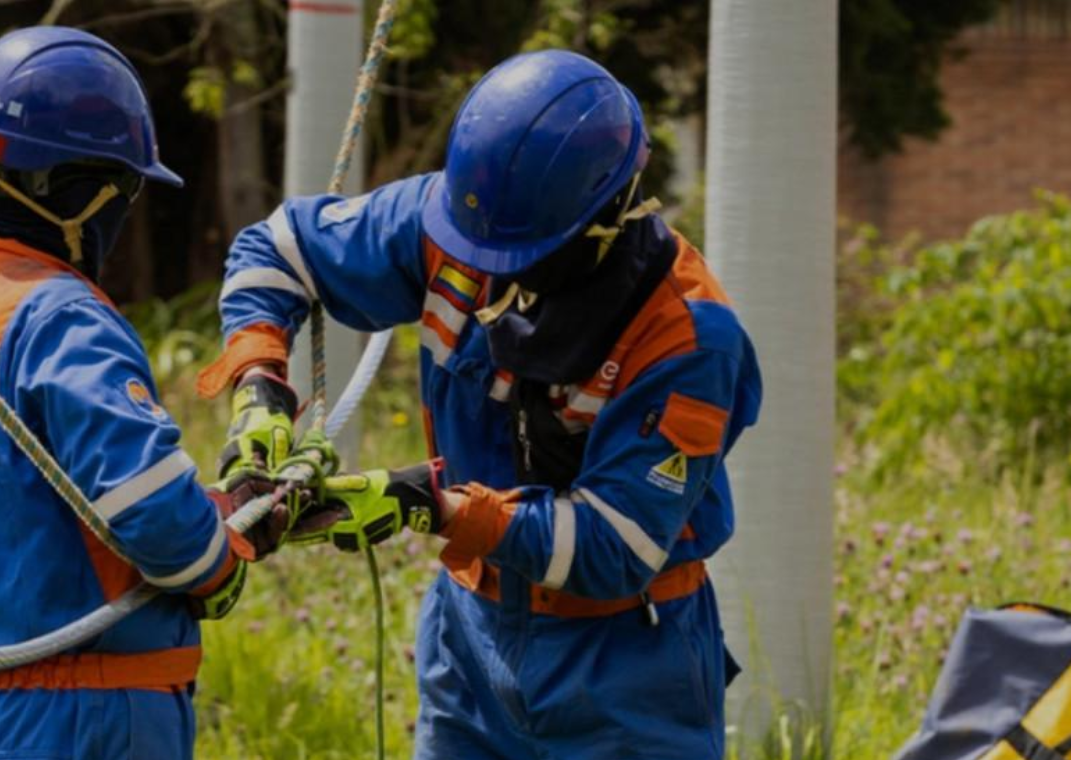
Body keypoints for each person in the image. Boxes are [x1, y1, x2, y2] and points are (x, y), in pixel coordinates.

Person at [200, 49, 763, 758]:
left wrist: (428, 505)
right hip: (470, 642)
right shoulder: (462, 225)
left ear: (606, 218)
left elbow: (615, 547)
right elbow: (274, 250)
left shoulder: (687, 338)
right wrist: (260, 391)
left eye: (515, 258)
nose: (485, 273)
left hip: (623, 669)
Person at [0, 27, 280, 760]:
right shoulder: (59, 313)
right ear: (81, 191)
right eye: (124, 188)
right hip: (91, 710)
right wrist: (222, 558)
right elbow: (151, 509)